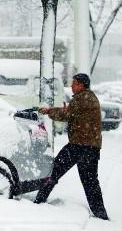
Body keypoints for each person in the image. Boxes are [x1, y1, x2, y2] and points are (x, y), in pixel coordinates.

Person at [34, 73, 109, 220]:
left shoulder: (83, 98)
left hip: (81, 147)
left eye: (74, 83)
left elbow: (66, 114)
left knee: (56, 171)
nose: (72, 86)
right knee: (89, 181)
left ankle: (38, 201)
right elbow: (70, 112)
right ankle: (100, 214)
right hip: (86, 146)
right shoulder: (86, 97)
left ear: (81, 85)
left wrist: (49, 111)